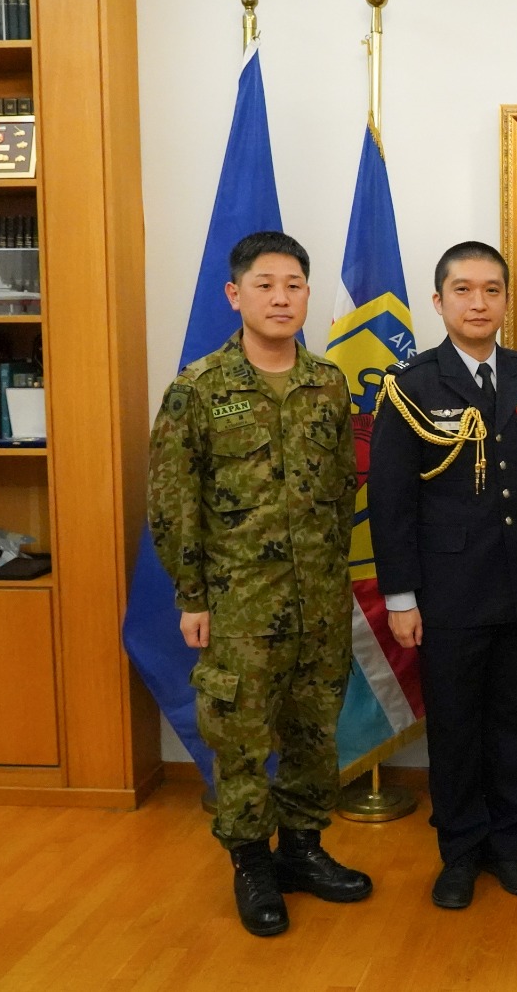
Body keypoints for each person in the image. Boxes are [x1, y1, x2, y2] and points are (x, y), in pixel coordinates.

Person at [147, 230, 371, 938]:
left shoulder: (328, 382)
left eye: (294, 285)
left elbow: (343, 488)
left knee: (313, 731)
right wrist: (191, 595)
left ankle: (302, 849)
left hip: (319, 600)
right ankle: (251, 863)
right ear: (234, 294)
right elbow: (173, 500)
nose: (281, 298)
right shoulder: (198, 388)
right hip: (239, 603)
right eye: (265, 284)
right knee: (240, 738)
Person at [371, 241, 517, 910]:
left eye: (491, 290)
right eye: (463, 290)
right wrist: (400, 596)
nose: (478, 303)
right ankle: (458, 852)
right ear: (439, 301)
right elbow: (390, 500)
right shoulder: (411, 384)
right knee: (454, 730)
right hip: (447, 594)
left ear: (507, 299)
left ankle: (509, 847)